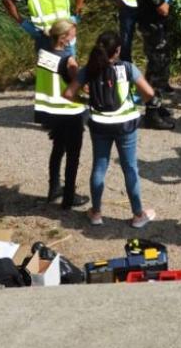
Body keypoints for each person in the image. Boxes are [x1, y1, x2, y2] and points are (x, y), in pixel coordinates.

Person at [64, 31, 158, 228]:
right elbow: (149, 93)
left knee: (99, 166)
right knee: (130, 168)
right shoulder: (127, 68)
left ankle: (96, 212)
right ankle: (138, 214)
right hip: (126, 124)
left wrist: (86, 101)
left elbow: (68, 94)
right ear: (117, 51)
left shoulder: (88, 70)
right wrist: (139, 101)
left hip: (100, 124)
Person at [34, 19, 89, 210]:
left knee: (58, 149)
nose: (74, 37)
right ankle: (69, 197)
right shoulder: (68, 60)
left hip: (50, 111)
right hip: (69, 112)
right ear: (64, 37)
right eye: (73, 34)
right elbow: (81, 84)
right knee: (73, 155)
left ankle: (54, 188)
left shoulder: (43, 53)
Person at [136, 0, 174, 94]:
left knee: (162, 59)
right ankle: (152, 101)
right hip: (152, 24)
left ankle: (159, 97)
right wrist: (168, 3)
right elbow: (163, 9)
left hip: (156, 24)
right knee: (156, 63)